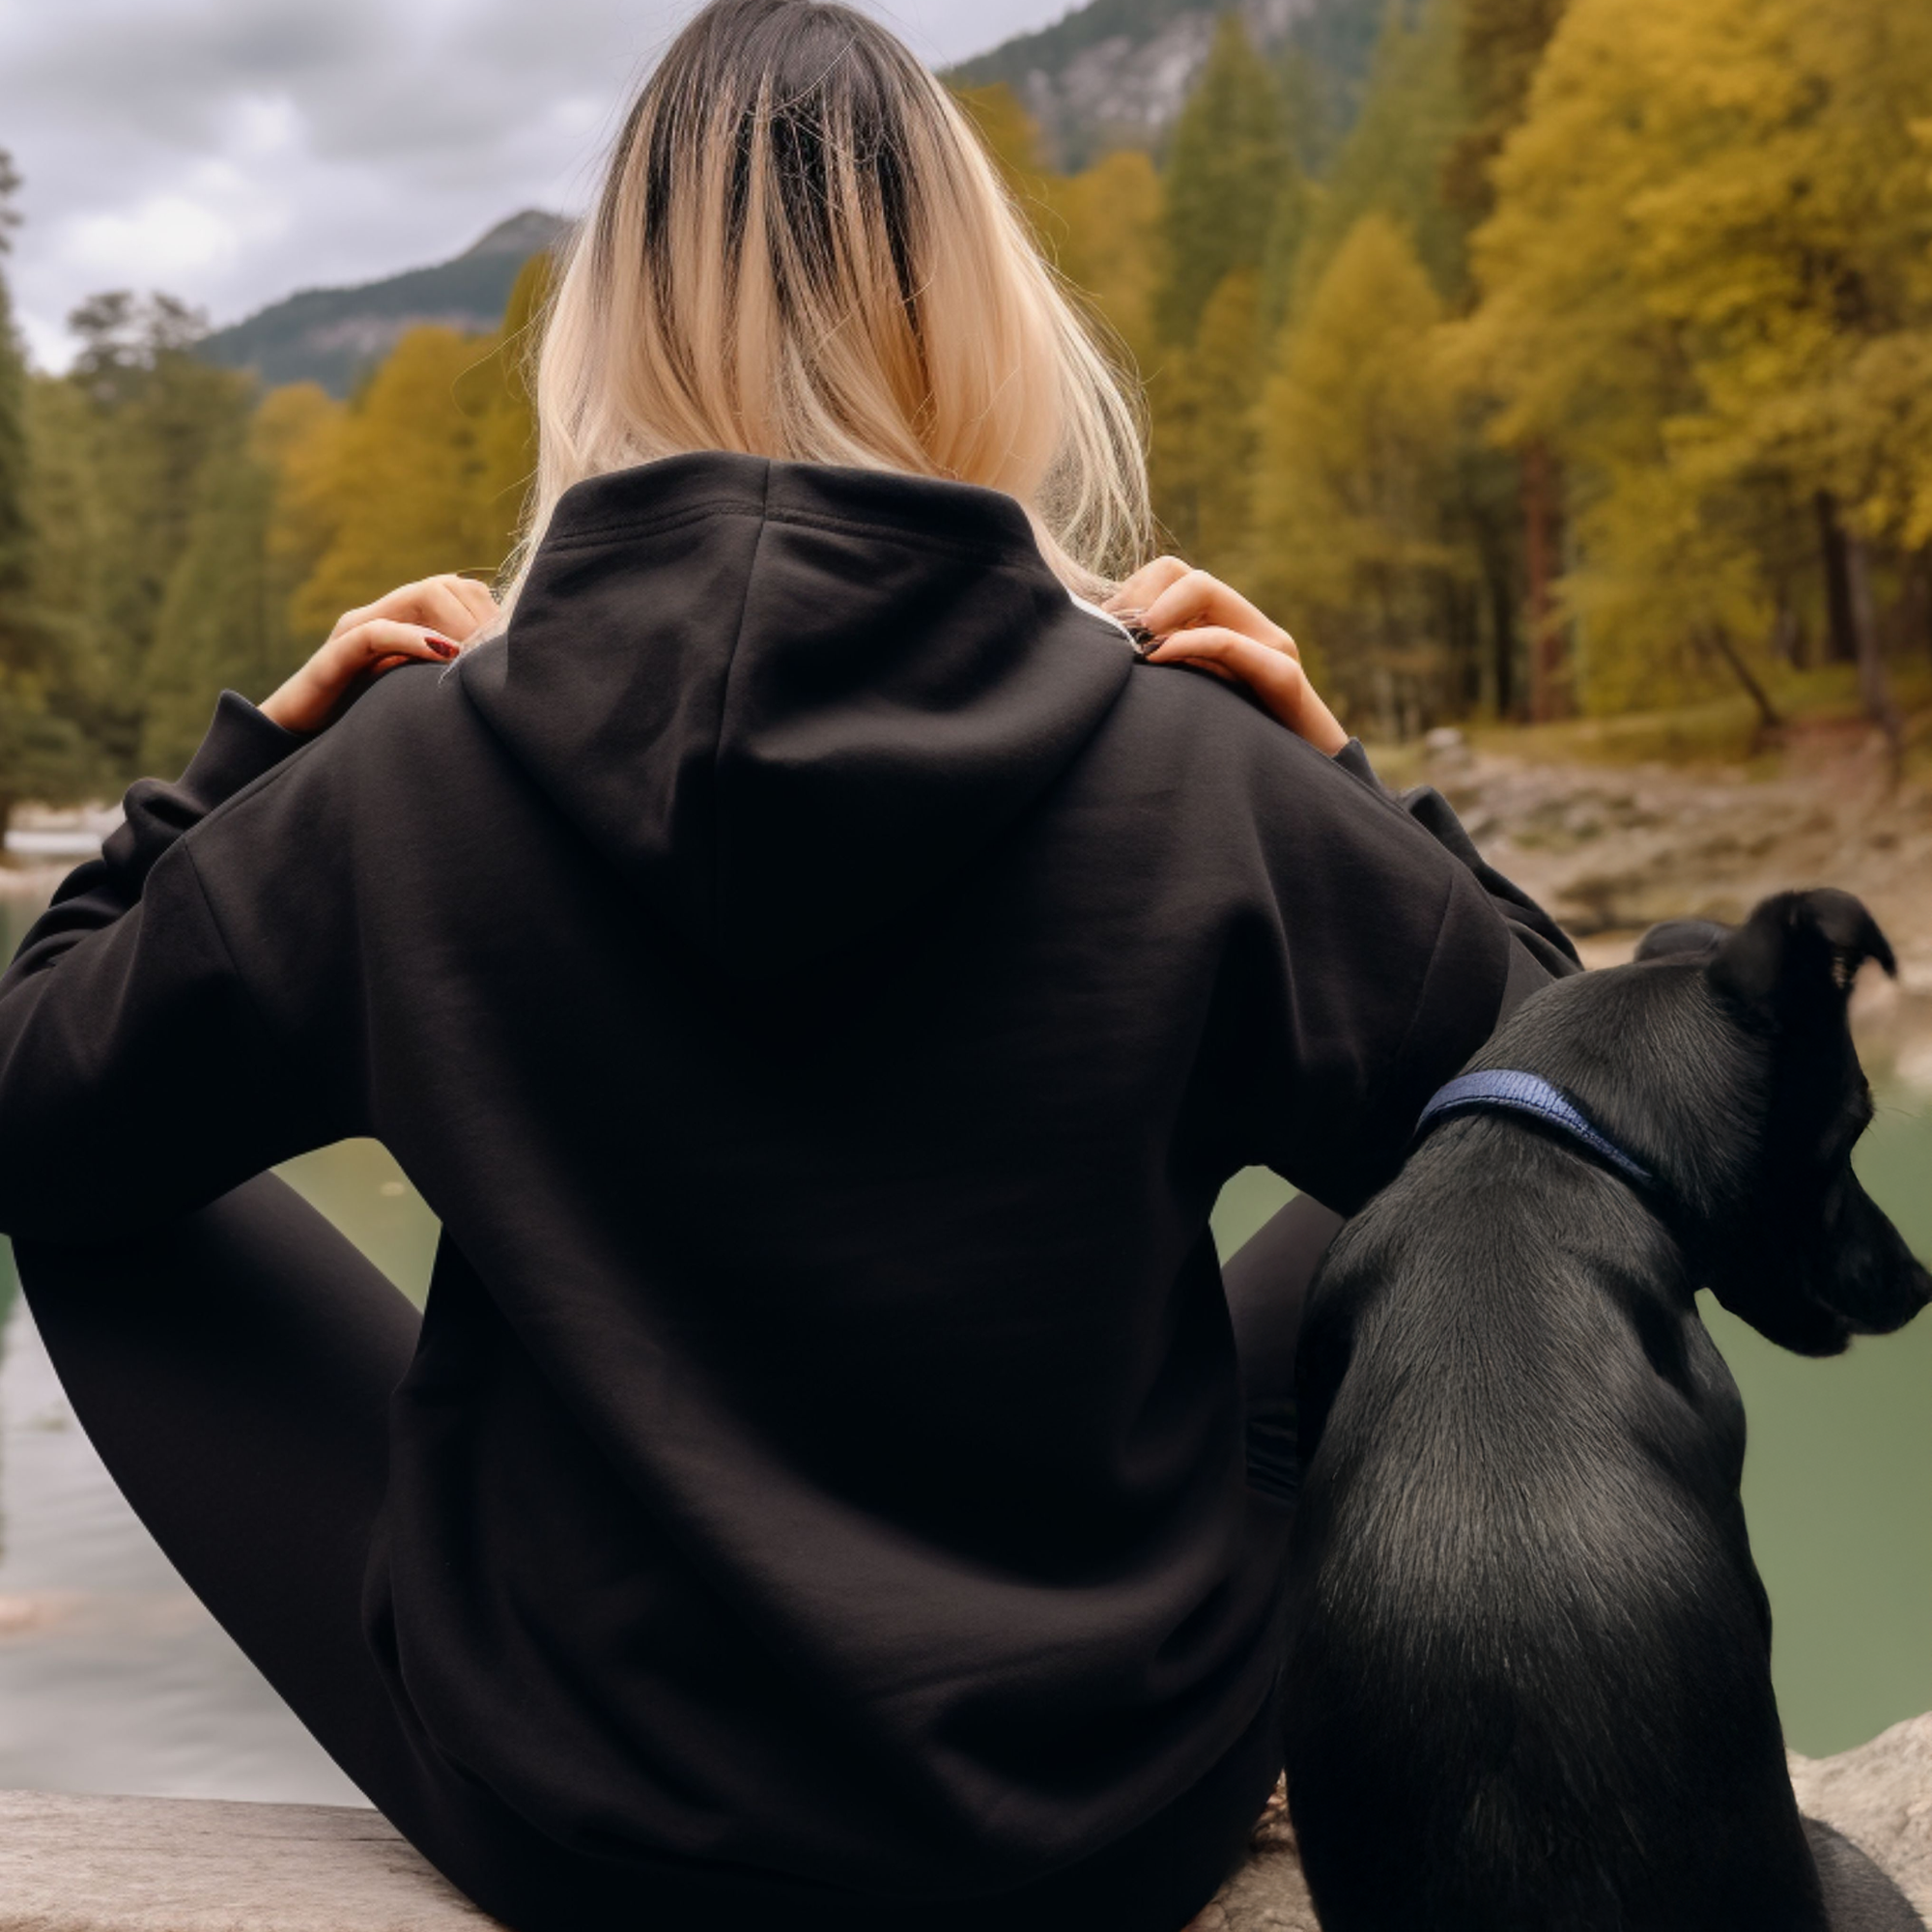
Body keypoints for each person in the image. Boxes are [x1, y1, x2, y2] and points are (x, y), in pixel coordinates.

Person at [0, 2, 1578, 1926]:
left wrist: (241, 776)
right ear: (982, 311)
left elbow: (30, 1108)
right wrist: (1338, 778)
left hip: (589, 1829)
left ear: (612, 323)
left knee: (92, 1189)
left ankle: (552, 1605)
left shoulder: (409, 776)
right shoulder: (1196, 765)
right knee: (1453, 1171)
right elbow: (1567, 1112)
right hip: (1106, 1828)